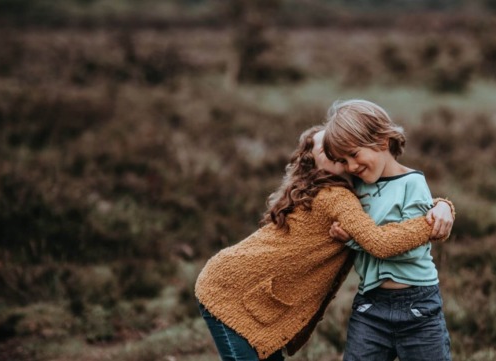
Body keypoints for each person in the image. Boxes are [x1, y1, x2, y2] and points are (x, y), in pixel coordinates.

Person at [194, 125, 455, 361]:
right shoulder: (335, 196)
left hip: (244, 290)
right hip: (227, 290)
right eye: (326, 147)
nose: (334, 147)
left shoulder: (355, 189)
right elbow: (381, 240)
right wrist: (431, 223)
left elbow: (390, 204)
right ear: (314, 163)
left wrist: (442, 205)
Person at [323, 99, 454, 361]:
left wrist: (354, 240)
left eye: (354, 154)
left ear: (382, 142)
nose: (350, 166)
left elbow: (410, 247)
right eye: (343, 160)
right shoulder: (357, 189)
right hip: (370, 305)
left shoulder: (413, 183)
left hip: (418, 306)